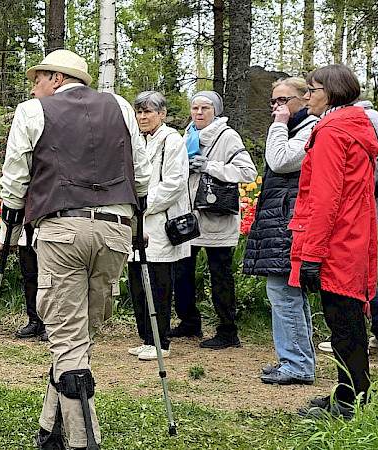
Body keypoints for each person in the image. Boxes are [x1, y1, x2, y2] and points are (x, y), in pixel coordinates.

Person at [0, 49, 149, 449]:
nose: (33, 88)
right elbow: (142, 173)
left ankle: (84, 442)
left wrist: (7, 235)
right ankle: (50, 433)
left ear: (56, 78)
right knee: (77, 339)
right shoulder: (118, 105)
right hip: (115, 230)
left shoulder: (32, 111)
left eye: (36, 79)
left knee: (67, 339)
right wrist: (138, 221)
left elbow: (15, 180)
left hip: (62, 228)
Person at [291, 64, 378, 419]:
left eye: (312, 90)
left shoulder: (330, 132)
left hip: (335, 242)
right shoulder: (356, 126)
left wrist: (311, 254)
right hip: (353, 235)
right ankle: (349, 392)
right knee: (348, 322)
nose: (307, 97)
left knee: (343, 325)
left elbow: (324, 199)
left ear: (331, 92)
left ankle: (349, 402)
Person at [249, 77, 317, 386]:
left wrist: (278, 124)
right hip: (282, 221)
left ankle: (297, 364)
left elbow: (280, 161)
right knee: (286, 293)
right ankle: (295, 359)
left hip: (290, 223)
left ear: (304, 99)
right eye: (274, 102)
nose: (277, 107)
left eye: (283, 100)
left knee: (284, 293)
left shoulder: (310, 128)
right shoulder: (297, 128)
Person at [321, 101, 378, 356]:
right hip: (374, 201)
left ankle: (376, 333)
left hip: (359, 205)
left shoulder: (358, 120)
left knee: (357, 277)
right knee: (364, 273)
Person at [178, 90, 255, 350]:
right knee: (183, 272)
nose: (199, 113)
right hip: (190, 217)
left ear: (216, 111)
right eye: (195, 108)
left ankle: (228, 331)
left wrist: (209, 166)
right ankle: (189, 323)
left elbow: (247, 172)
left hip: (216, 217)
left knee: (220, 275)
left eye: (205, 109)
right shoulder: (188, 135)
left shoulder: (227, 136)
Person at [124, 91, 193, 361]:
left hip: (159, 223)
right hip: (135, 223)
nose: (142, 117)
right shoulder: (134, 140)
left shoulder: (172, 141)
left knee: (158, 284)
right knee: (137, 283)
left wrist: (142, 205)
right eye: (139, 112)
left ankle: (160, 340)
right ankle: (145, 337)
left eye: (148, 111)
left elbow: (174, 184)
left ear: (162, 114)